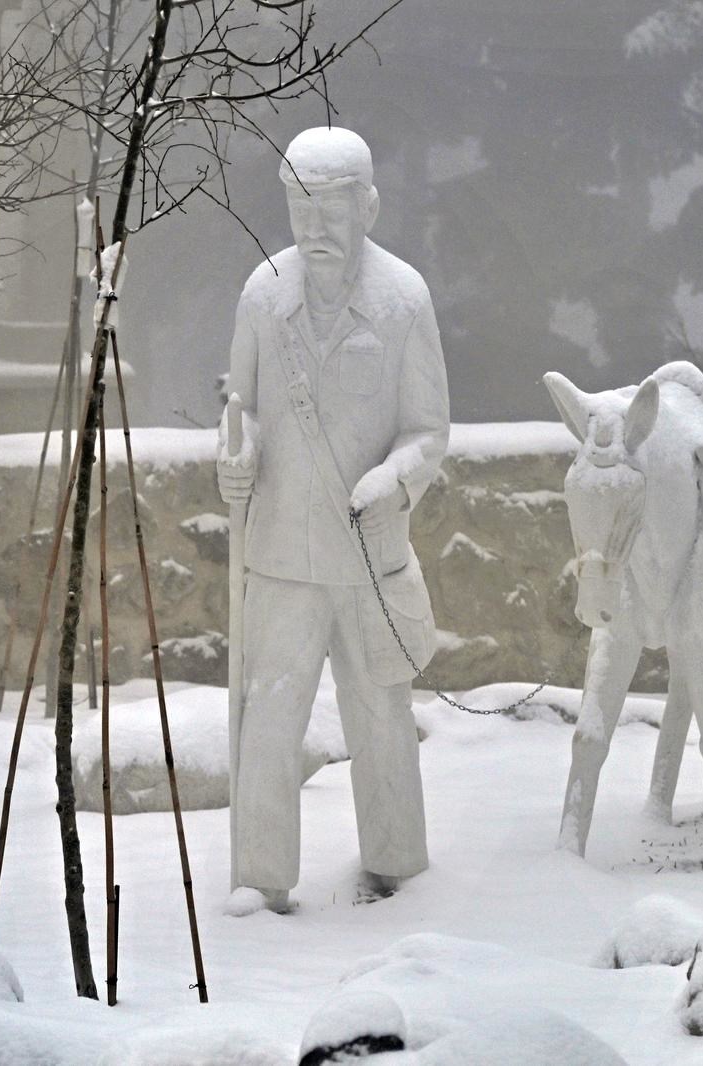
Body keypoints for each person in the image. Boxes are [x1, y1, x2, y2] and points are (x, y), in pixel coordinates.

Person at [217, 127, 450, 914]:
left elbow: (430, 431)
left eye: (331, 209)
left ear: (369, 206)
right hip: (280, 549)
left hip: (364, 553)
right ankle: (261, 878)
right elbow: (239, 409)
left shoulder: (403, 300)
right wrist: (237, 456)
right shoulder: (261, 295)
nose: (313, 228)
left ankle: (395, 863)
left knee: (380, 716)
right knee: (268, 719)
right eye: (298, 207)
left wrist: (396, 478)